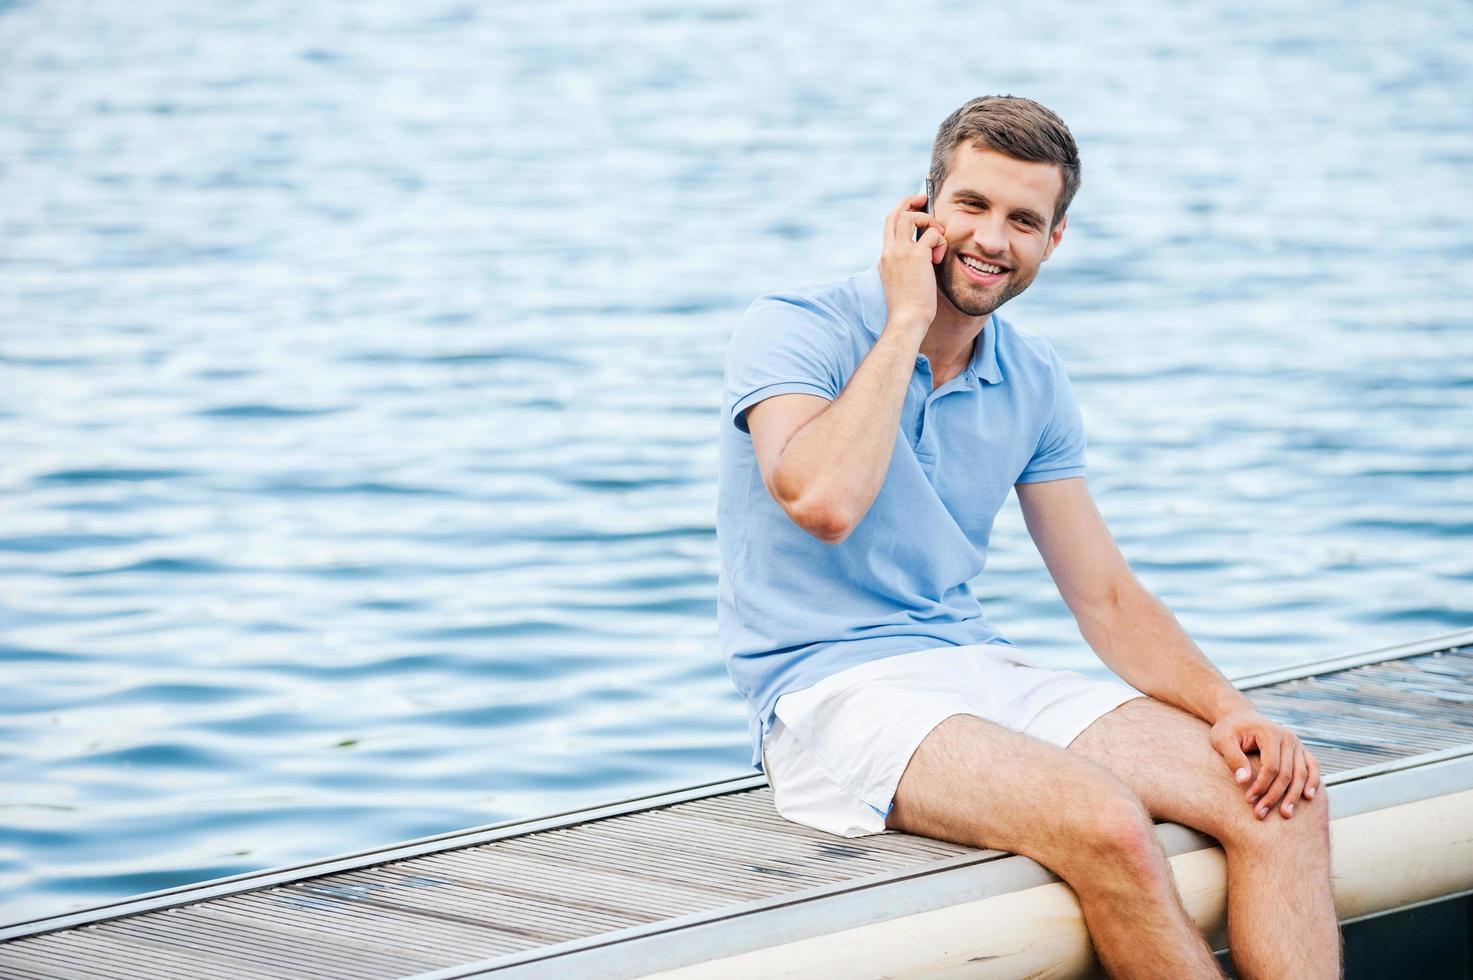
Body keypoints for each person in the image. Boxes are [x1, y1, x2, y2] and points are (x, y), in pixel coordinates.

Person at [715, 95, 1339, 978]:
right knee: (1108, 824)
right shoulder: (796, 327)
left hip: (970, 660)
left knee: (1280, 801)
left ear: (1053, 242)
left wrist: (1229, 709)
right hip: (826, 687)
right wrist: (902, 323)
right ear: (921, 208)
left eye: (1024, 220)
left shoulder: (1032, 374)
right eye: (971, 206)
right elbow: (821, 500)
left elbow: (1104, 595)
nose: (992, 240)